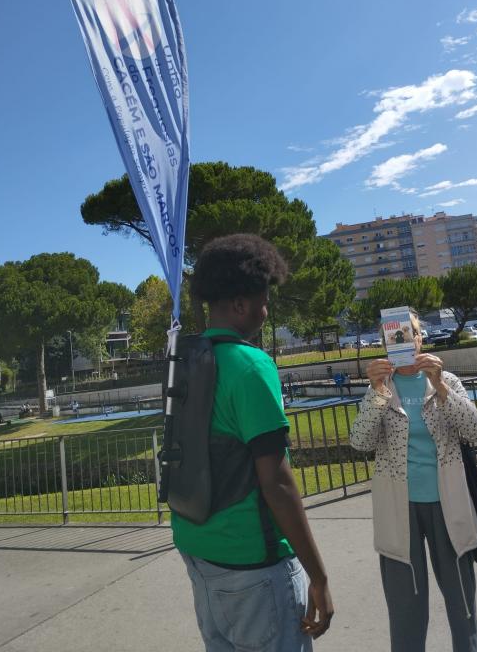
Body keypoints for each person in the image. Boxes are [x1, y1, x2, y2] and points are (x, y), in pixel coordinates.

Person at [173, 234, 333, 651]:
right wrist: (318, 575)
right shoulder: (251, 365)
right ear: (240, 305)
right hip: (254, 565)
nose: (266, 310)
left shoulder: (186, 361)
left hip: (198, 551)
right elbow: (277, 483)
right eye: (263, 301)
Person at [350, 309, 477, 652]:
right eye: (391, 335)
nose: (400, 341)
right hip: (400, 510)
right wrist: (375, 391)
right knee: (405, 612)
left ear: (419, 338)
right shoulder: (382, 388)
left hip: (448, 504)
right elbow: (360, 442)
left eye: (407, 333)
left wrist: (441, 386)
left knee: (463, 607)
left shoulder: (446, 381)